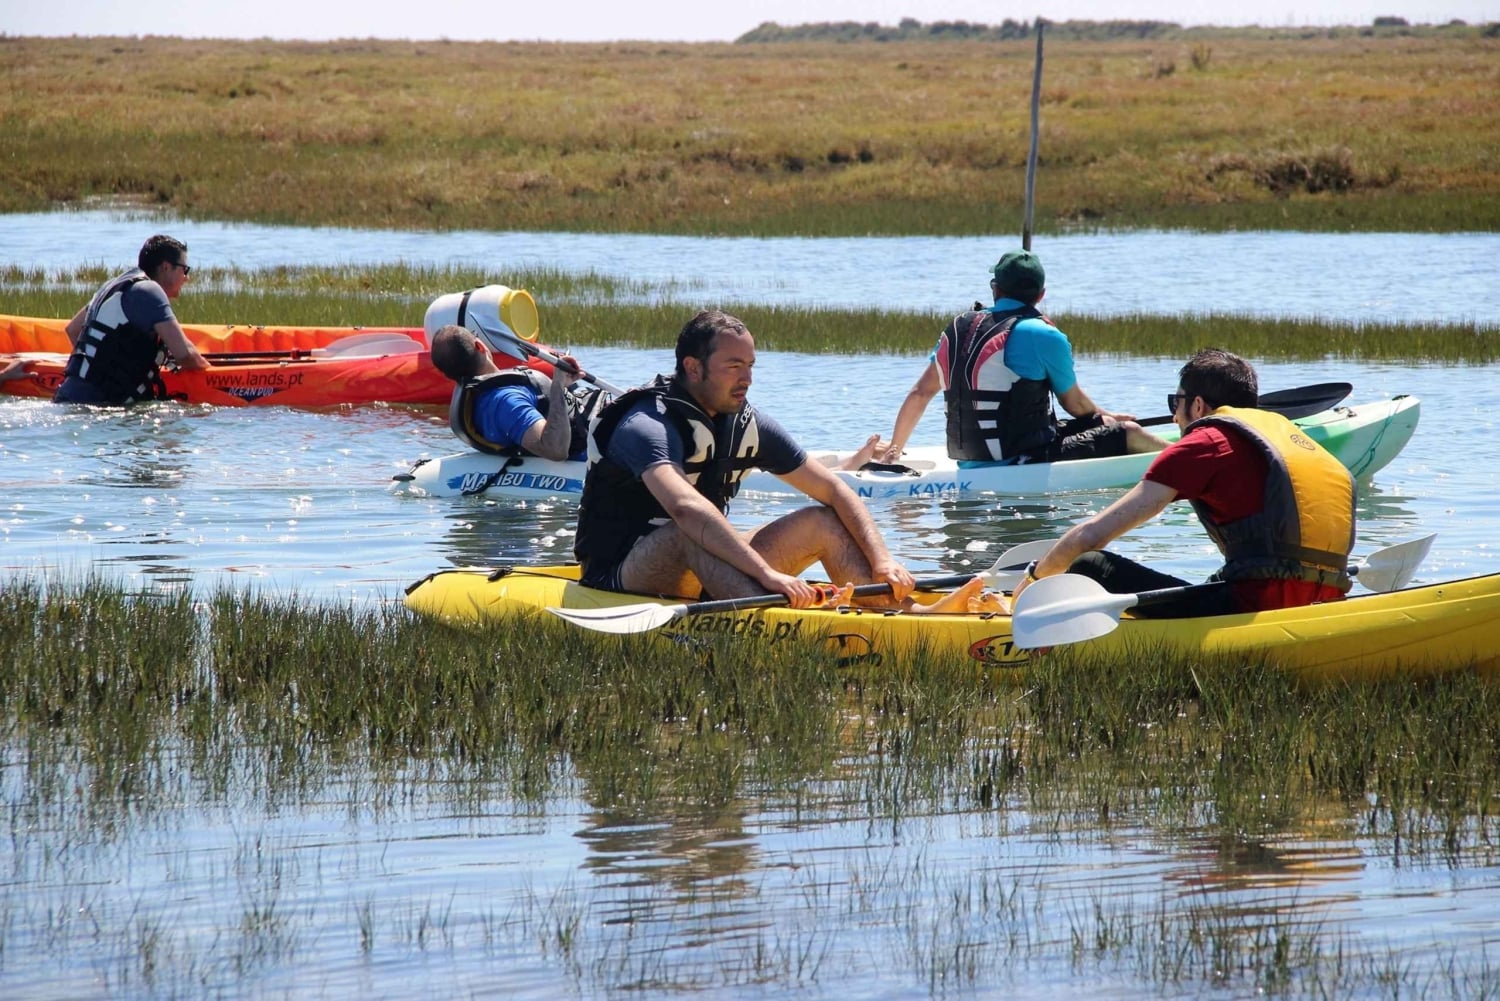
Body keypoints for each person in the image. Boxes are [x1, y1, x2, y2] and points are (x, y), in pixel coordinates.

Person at [574, 308, 929, 610]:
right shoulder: (645, 424)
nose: (747, 379)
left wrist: (882, 559)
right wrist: (766, 573)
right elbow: (684, 508)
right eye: (733, 366)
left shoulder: (746, 424)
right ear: (693, 367)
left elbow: (835, 489)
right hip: (621, 574)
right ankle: (777, 618)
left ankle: (906, 609)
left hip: (709, 568)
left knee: (821, 520)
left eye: (750, 365)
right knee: (685, 533)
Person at [1010, 348, 1356, 619]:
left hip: (1255, 607)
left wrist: (1033, 580)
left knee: (1088, 563)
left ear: (1198, 404)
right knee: (1219, 578)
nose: (1174, 416)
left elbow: (1091, 536)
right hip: (1324, 599)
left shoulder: (1204, 443)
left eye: (1175, 403)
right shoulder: (1296, 442)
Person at [880, 249, 1168, 465]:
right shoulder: (1044, 334)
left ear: (995, 289)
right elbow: (1076, 405)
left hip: (969, 460)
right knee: (1127, 432)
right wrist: (1109, 418)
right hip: (1022, 460)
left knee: (1104, 424)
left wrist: (894, 451)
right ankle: (1194, 463)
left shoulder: (957, 328)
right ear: (1041, 295)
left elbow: (920, 393)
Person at [53, 234, 211, 405]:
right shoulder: (150, 291)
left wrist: (109, 364)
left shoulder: (115, 285)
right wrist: (211, 373)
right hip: (98, 405)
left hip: (67, 395)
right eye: (184, 270)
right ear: (166, 267)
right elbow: (185, 355)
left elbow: (73, 330)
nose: (186, 277)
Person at [429, 323, 605, 461]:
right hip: (598, 445)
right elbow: (555, 449)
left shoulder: (479, 395)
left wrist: (562, 384)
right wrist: (557, 386)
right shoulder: (506, 401)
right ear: (479, 346)